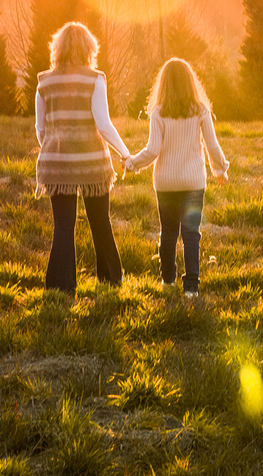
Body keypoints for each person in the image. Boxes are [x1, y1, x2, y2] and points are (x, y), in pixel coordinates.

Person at [35, 21, 132, 293]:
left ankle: (60, 289)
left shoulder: (44, 82)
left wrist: (56, 148)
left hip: (56, 165)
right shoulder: (94, 79)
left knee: (62, 226)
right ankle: (111, 281)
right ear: (89, 48)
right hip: (92, 163)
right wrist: (125, 153)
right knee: (100, 221)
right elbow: (103, 125)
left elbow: (40, 130)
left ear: (58, 49)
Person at [125, 58, 229, 296]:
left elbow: (152, 150)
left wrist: (132, 163)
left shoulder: (158, 113)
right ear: (190, 82)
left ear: (164, 84)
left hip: (166, 183)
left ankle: (167, 280)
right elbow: (212, 146)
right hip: (193, 183)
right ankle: (192, 287)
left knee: (168, 232)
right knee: (191, 234)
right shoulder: (201, 110)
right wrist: (220, 170)